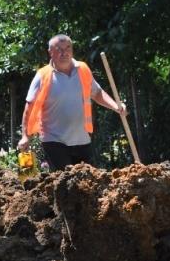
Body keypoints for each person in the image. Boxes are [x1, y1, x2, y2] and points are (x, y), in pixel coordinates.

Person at [17, 34, 127, 170]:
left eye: (68, 48)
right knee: (65, 181)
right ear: (50, 52)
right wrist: (25, 136)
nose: (64, 52)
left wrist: (116, 106)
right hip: (53, 139)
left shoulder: (83, 69)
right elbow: (30, 106)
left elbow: (97, 93)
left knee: (86, 182)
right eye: (59, 49)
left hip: (82, 139)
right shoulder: (43, 75)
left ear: (72, 50)